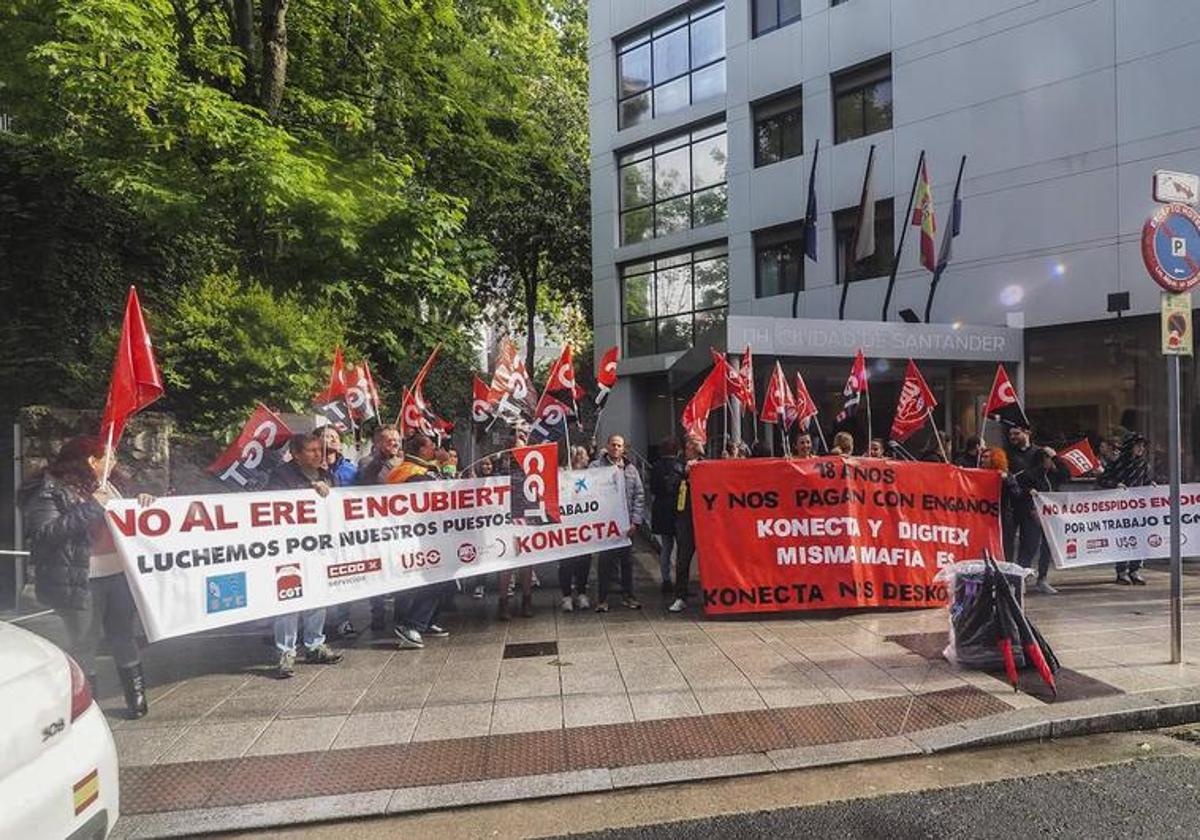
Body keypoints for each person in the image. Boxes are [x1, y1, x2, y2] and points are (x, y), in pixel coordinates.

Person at [20, 436, 155, 716]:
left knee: (123, 635)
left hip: (119, 574)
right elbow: (45, 534)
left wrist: (143, 502)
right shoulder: (49, 490)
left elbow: (127, 518)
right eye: (109, 457)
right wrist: (92, 506)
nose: (115, 462)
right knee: (84, 641)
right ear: (92, 461)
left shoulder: (115, 484)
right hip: (81, 580)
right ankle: (89, 705)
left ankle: (136, 697)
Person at [267, 430, 344, 677]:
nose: (318, 455)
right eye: (312, 451)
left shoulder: (327, 474)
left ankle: (314, 644)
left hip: (318, 547)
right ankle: (285, 651)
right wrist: (308, 490)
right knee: (289, 598)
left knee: (317, 595)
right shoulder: (281, 475)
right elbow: (272, 503)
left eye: (319, 450)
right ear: (296, 455)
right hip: (290, 548)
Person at [386, 433, 454, 645]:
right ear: (422, 450)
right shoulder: (411, 473)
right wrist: (448, 466)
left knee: (446, 581)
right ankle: (411, 624)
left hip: (427, 534)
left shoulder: (417, 469)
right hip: (415, 536)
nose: (435, 448)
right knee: (433, 580)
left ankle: (426, 620)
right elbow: (442, 491)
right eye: (431, 445)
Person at [591, 434, 645, 612]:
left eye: (619, 445)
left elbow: (639, 495)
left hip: (626, 525)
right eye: (613, 444)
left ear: (623, 449)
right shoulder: (596, 467)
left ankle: (628, 596)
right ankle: (602, 599)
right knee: (605, 563)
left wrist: (635, 522)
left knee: (627, 563)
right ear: (607, 446)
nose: (615, 448)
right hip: (606, 526)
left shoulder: (630, 469)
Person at [1098, 433, 1151, 585]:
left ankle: (1135, 570)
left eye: (1143, 445)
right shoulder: (1117, 462)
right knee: (1123, 540)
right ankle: (1121, 571)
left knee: (1140, 539)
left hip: (1139, 509)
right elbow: (1102, 479)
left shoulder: (1143, 464)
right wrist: (1116, 485)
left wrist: (1151, 484)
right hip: (1120, 509)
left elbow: (1146, 480)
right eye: (1138, 445)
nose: (1141, 448)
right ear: (1130, 446)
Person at [1013, 446, 1068, 595]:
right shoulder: (1028, 475)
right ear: (1042, 460)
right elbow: (1017, 489)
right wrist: (1029, 496)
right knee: (1029, 546)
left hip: (1049, 517)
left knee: (1048, 547)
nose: (1052, 463)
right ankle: (1021, 579)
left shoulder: (1053, 475)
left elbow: (1066, 474)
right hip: (1032, 516)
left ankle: (1042, 579)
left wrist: (1056, 457)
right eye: (1049, 459)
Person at [669, 435, 705, 613]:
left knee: (710, 559)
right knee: (683, 559)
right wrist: (686, 473)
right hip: (686, 519)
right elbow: (671, 487)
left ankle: (710, 594)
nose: (702, 443)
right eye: (699, 441)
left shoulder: (706, 463)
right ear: (689, 445)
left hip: (706, 520)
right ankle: (680, 597)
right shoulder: (677, 465)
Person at [559, 445, 594, 611]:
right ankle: (566, 596)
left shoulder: (590, 475)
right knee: (566, 561)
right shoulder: (562, 474)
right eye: (585, 455)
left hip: (584, 523)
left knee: (584, 561)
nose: (587, 458)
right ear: (577, 458)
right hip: (567, 524)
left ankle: (581, 593)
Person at [648, 438, 683, 594]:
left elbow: (653, 489)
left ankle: (666, 579)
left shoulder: (655, 467)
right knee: (682, 548)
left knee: (666, 547)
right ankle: (681, 581)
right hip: (678, 510)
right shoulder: (681, 467)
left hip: (661, 510)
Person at [981, 447, 1017, 563]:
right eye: (982, 457)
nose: (983, 460)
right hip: (984, 518)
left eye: (986, 457)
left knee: (1005, 546)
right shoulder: (978, 474)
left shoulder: (1006, 475)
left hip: (1002, 518)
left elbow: (1016, 493)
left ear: (995, 459)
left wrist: (1006, 480)